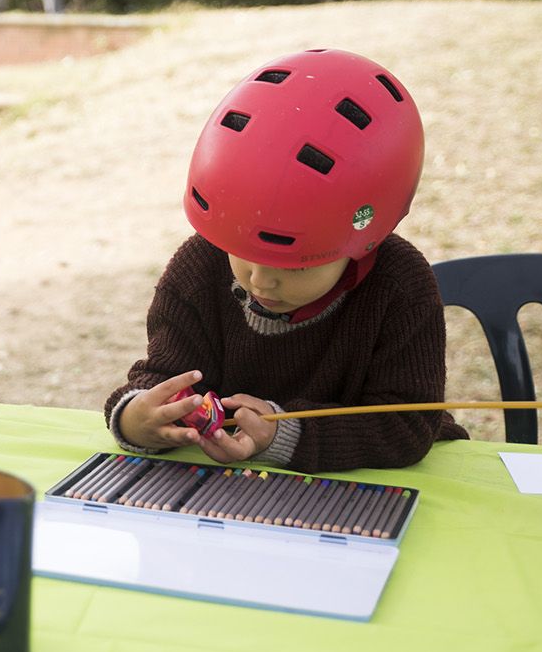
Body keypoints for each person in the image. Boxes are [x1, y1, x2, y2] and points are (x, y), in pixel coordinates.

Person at [105, 49, 468, 472]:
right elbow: (164, 378)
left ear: (365, 239)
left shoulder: (400, 286)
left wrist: (284, 435)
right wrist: (136, 419)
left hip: (362, 491)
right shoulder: (200, 266)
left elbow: (406, 426)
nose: (260, 281)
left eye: (295, 265)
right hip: (227, 492)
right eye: (243, 254)